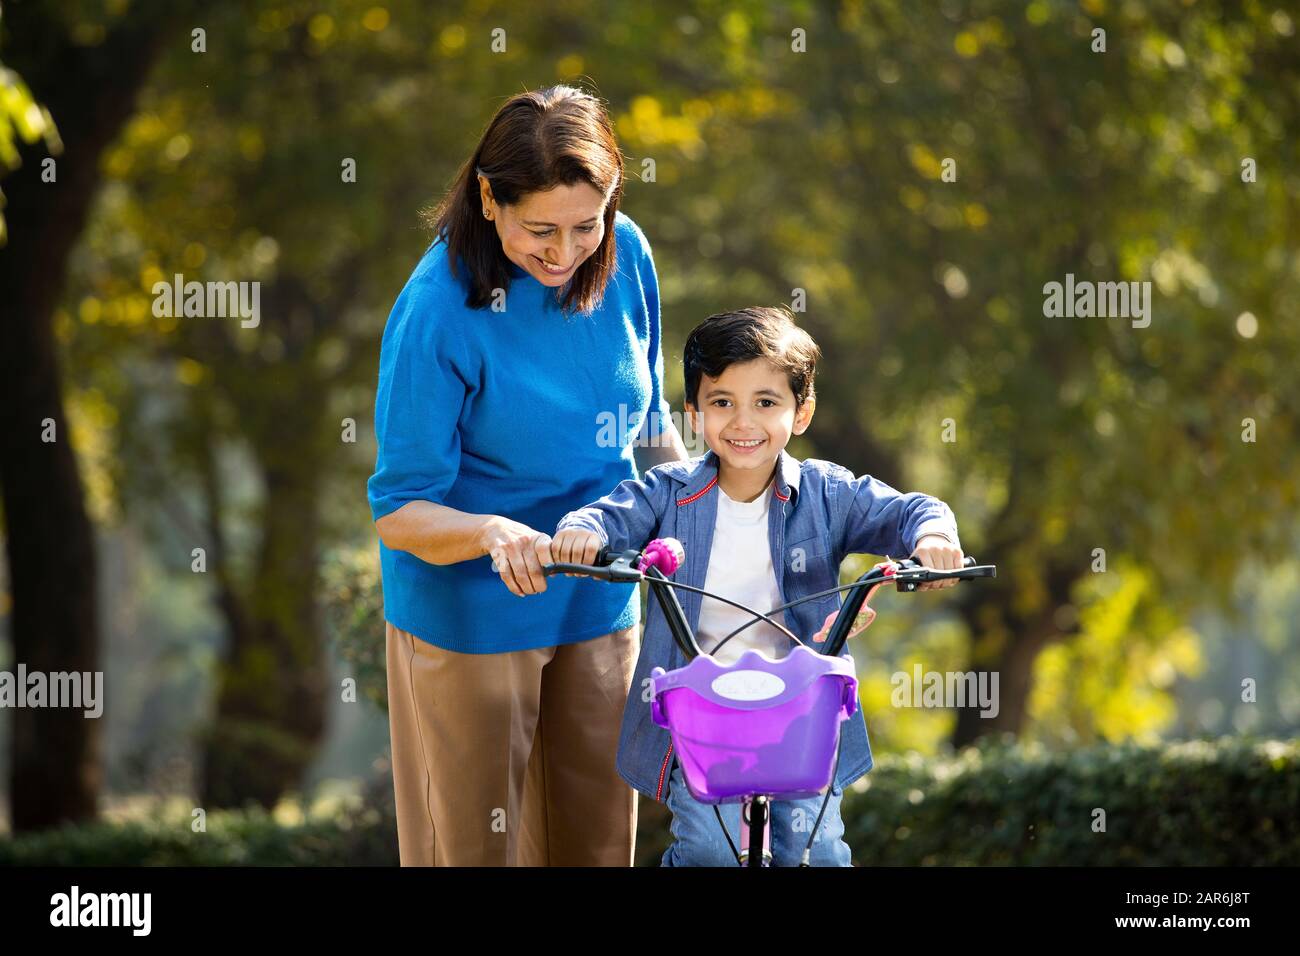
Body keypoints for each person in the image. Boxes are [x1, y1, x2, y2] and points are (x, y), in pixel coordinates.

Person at [368, 85, 687, 866]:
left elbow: (651, 425)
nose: (565, 251)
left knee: (598, 847)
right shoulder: (436, 310)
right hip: (472, 614)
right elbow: (399, 507)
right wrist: (491, 533)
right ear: (489, 198)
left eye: (586, 223)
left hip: (599, 594)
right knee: (477, 850)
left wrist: (709, 513)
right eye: (540, 229)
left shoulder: (626, 254)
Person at [550, 306, 964, 865]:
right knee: (709, 851)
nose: (743, 422)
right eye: (722, 402)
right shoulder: (666, 492)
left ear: (801, 412)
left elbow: (913, 510)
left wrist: (934, 537)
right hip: (705, 717)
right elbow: (606, 516)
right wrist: (582, 533)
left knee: (817, 851)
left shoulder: (826, 493)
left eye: (766, 403)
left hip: (802, 715)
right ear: (694, 413)